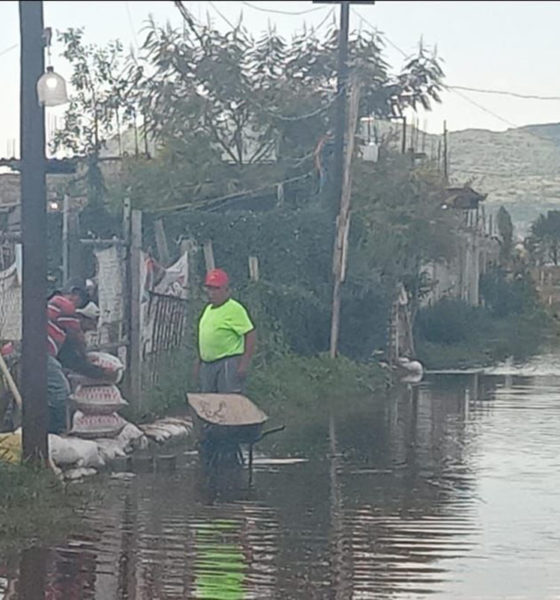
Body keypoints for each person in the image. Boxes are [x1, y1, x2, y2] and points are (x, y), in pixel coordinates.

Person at [194, 268, 256, 394]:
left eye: (216, 289)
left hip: (227, 362)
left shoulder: (234, 309)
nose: (211, 293)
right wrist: (198, 362)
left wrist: (244, 363)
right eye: (209, 289)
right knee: (209, 403)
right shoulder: (208, 309)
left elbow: (250, 334)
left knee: (229, 401)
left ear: (226, 290)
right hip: (208, 364)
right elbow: (204, 338)